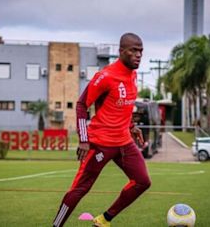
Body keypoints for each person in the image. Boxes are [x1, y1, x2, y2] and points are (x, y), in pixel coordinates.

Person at [52, 33, 151, 227]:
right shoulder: (105, 76)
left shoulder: (133, 75)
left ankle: (104, 220)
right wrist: (83, 138)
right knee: (80, 189)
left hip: (124, 143)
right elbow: (82, 104)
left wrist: (131, 126)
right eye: (133, 50)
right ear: (121, 51)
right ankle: (56, 226)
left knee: (142, 181)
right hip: (100, 144)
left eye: (141, 51)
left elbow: (122, 105)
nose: (138, 54)